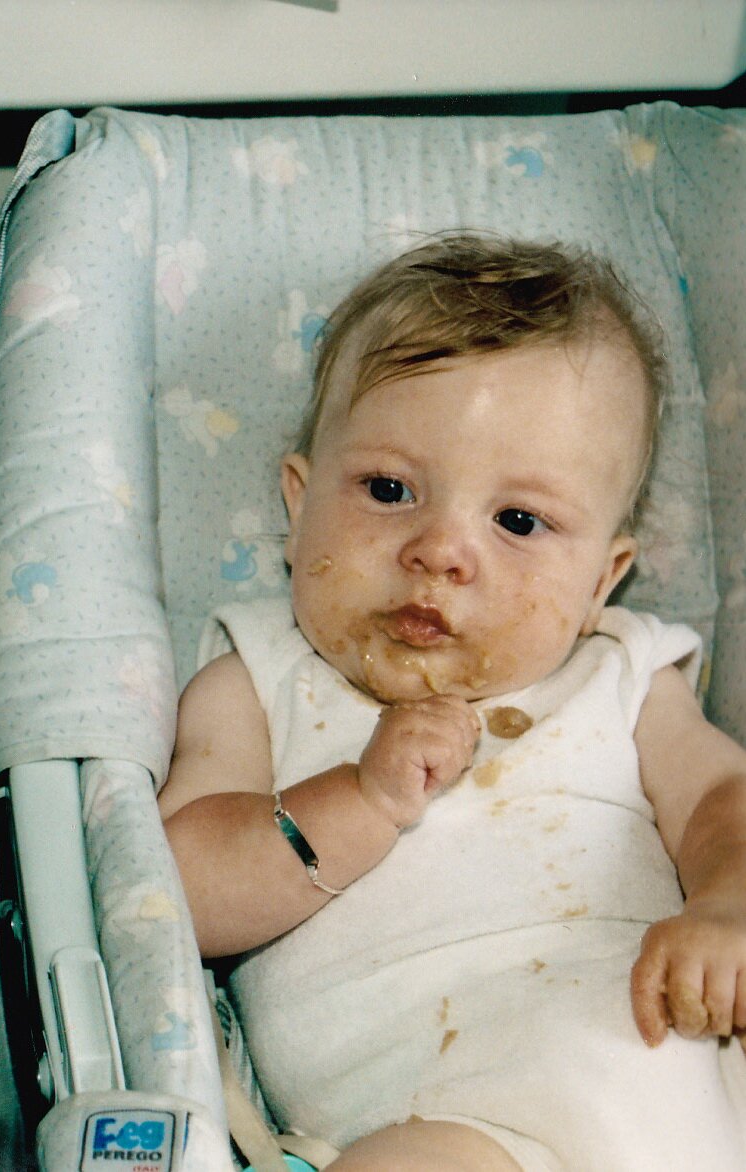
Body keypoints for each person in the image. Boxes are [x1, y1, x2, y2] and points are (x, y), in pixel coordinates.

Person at [160, 233, 746, 1170]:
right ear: (298, 504)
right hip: (447, 1123)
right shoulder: (258, 680)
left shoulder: (620, 673)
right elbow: (175, 892)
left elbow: (723, 799)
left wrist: (727, 903)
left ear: (602, 580)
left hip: (688, 1073)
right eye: (389, 490)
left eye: (518, 520)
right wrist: (362, 800)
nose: (438, 550)